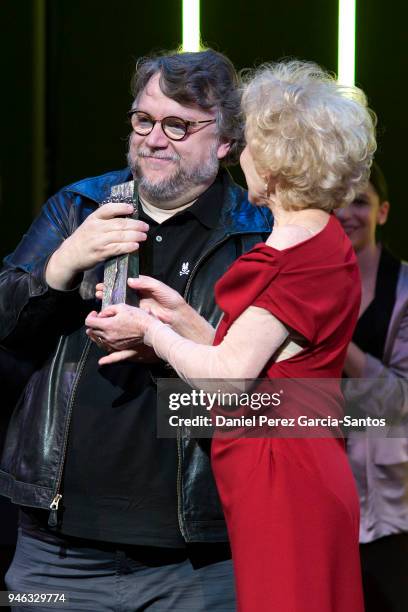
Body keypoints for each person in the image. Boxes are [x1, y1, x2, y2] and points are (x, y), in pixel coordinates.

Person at [86, 60, 377, 611]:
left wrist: (148, 327)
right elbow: (268, 360)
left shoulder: (294, 261)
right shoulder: (323, 244)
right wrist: (182, 321)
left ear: (273, 164)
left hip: (284, 477)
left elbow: (228, 382)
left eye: (249, 143)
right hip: (292, 466)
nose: (239, 153)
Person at [0, 49, 273, 611]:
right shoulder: (79, 207)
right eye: (144, 120)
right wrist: (61, 265)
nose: (154, 138)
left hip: (199, 556)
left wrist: (176, 346)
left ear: (225, 143)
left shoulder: (259, 233)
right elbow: (7, 326)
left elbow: (297, 403)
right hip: (59, 550)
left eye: (178, 125)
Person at [336, 162, 408, 612]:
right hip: (320, 497)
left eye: (360, 201)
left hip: (391, 510)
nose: (346, 213)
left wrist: (336, 337)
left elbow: (400, 402)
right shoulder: (301, 282)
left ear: (382, 212)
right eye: (336, 203)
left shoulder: (403, 289)